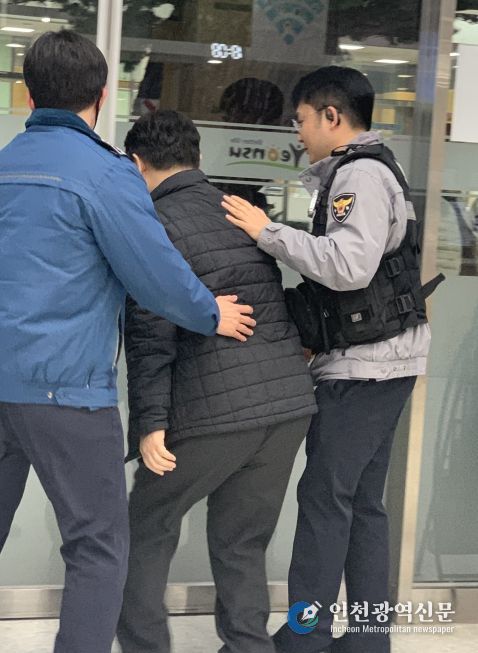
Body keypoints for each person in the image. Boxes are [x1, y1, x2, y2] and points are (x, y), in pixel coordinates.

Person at [0, 30, 254, 653]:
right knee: (98, 545)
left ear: (28, 94)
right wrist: (211, 313)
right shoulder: (107, 173)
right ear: (102, 95)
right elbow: (156, 274)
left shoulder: (4, 165)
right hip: (66, 391)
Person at [222, 66, 442, 653]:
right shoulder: (371, 169)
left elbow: (349, 266)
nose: (297, 132)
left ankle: (305, 635)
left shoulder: (359, 176)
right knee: (361, 503)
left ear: (331, 115)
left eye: (300, 120)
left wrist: (267, 232)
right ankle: (368, 638)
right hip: (384, 362)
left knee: (324, 499)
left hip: (363, 369)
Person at [116, 109, 317, 653]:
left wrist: (151, 424)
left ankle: (145, 647)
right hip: (284, 408)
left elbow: (150, 335)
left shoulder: (153, 225)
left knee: (146, 527)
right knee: (241, 544)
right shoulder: (239, 210)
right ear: (198, 156)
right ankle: (250, 645)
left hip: (212, 412)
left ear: (137, 164)